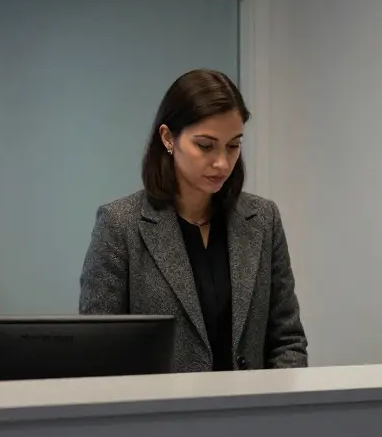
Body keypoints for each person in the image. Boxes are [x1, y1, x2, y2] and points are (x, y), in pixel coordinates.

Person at [78, 69, 307, 372]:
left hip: (251, 414)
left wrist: (276, 410)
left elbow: (287, 341)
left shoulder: (263, 220)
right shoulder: (120, 225)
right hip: (162, 415)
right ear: (168, 138)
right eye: (205, 145)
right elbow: (100, 354)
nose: (222, 162)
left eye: (233, 145)